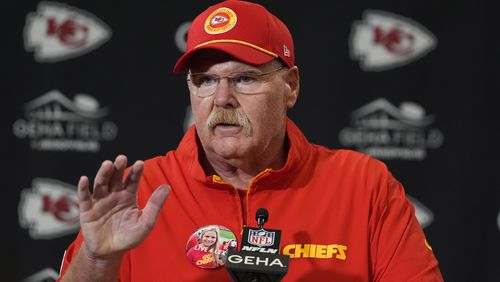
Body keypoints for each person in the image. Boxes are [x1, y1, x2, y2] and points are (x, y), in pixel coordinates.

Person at [57, 0, 444, 281]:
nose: (222, 98)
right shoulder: (143, 192)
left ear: (290, 87)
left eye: (245, 78)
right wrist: (97, 259)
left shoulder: (363, 185)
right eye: (205, 80)